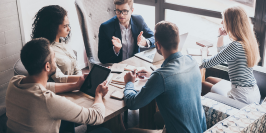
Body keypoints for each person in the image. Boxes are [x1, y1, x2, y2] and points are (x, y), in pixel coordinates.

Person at [5, 38, 111, 133]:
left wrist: (75, 85)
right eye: (54, 58)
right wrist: (98, 95)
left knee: (65, 121)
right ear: (47, 66)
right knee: (104, 131)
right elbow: (96, 117)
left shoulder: (14, 82)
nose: (55, 61)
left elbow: (45, 86)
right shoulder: (48, 100)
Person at [123, 21, 206, 133]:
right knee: (157, 117)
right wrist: (153, 74)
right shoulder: (192, 61)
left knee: (128, 131)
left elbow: (132, 103)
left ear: (157, 45)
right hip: (201, 130)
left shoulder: (160, 76)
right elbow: (174, 76)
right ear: (178, 41)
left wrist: (129, 82)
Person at [201, 6, 261, 104]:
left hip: (241, 96)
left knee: (202, 84)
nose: (221, 22)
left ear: (231, 23)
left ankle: (210, 112)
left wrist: (204, 52)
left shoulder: (235, 46)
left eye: (223, 20)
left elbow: (206, 64)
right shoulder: (248, 41)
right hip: (253, 92)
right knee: (208, 79)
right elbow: (221, 52)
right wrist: (221, 35)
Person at [32, 5, 82, 83]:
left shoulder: (64, 43)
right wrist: (82, 79)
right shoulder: (46, 51)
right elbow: (58, 78)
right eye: (65, 26)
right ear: (53, 27)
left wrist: (81, 80)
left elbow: (76, 67)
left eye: (68, 25)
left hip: (77, 84)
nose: (69, 29)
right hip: (62, 89)